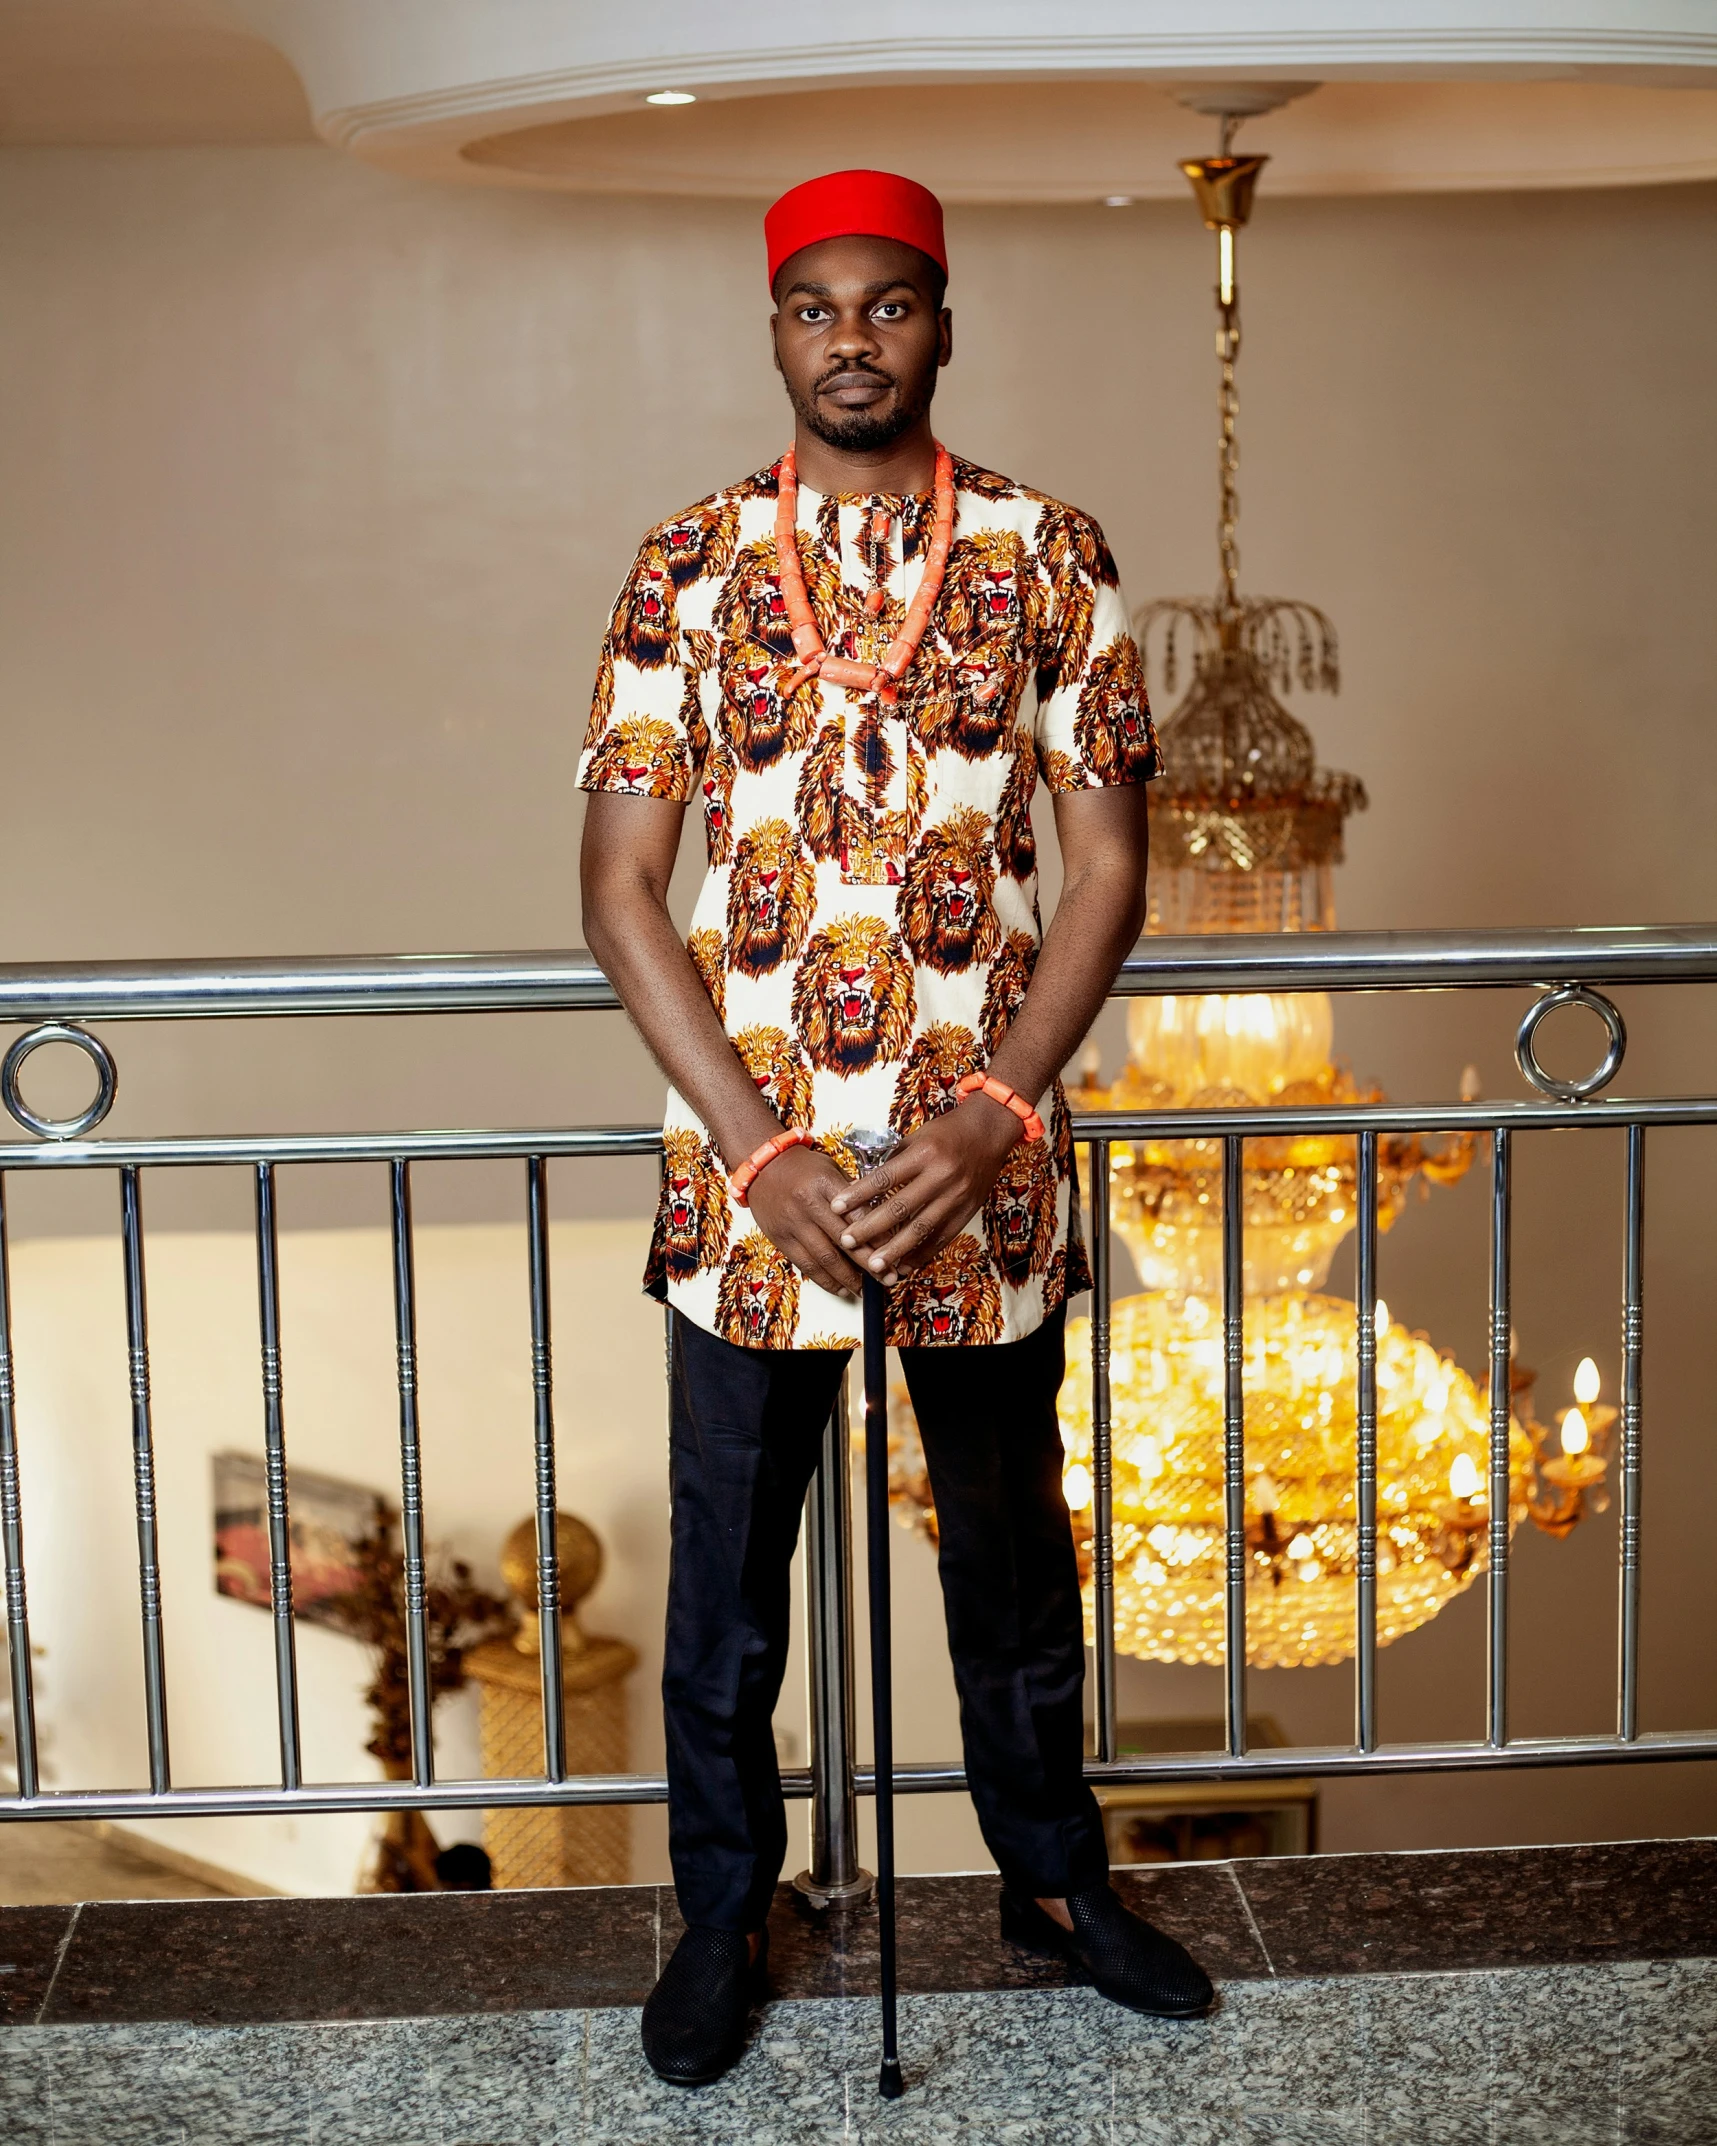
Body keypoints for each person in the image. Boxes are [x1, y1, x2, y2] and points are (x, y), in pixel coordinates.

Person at [579, 168, 1213, 2088]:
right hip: (747, 1180)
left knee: (1015, 1564)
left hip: (982, 1171)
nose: (852, 338)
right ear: (773, 330)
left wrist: (1000, 1111)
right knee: (724, 1585)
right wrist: (764, 1159)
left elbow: (1110, 864)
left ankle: (1050, 1882)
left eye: (890, 304)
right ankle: (722, 1911)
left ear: (946, 320)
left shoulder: (1049, 551)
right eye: (815, 309)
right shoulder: (681, 560)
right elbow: (619, 885)